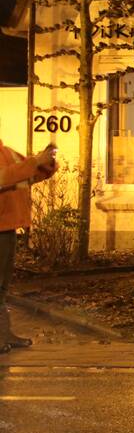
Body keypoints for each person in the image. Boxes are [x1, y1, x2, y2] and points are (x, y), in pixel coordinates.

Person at [0, 140, 57, 352]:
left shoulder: (7, 152)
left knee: (3, 286)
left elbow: (29, 175)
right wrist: (35, 161)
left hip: (8, 224)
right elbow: (5, 177)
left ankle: (4, 334)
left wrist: (46, 164)